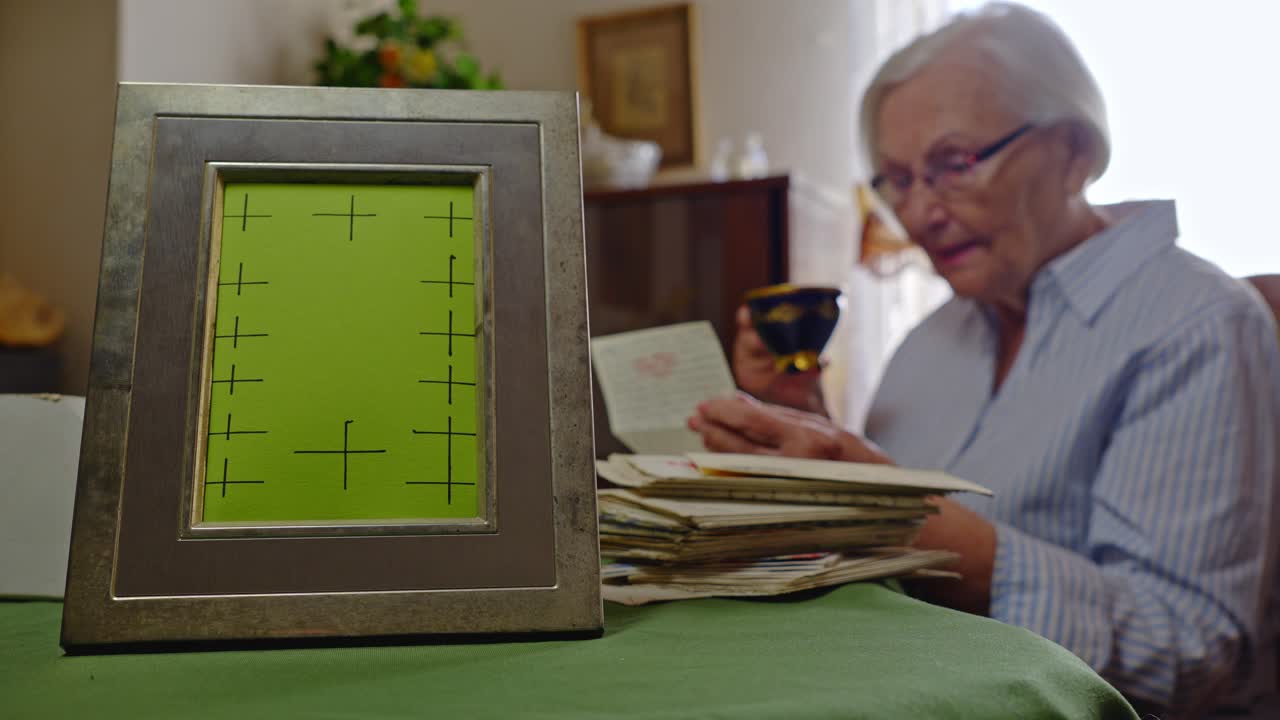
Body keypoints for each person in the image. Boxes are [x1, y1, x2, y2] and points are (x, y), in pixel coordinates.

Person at [687, 3, 1280, 717]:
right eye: (896, 180)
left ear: (1075, 153)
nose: (920, 210)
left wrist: (897, 525)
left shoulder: (1196, 323)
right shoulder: (933, 338)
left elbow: (1185, 649)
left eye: (953, 163)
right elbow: (894, 508)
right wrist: (798, 415)